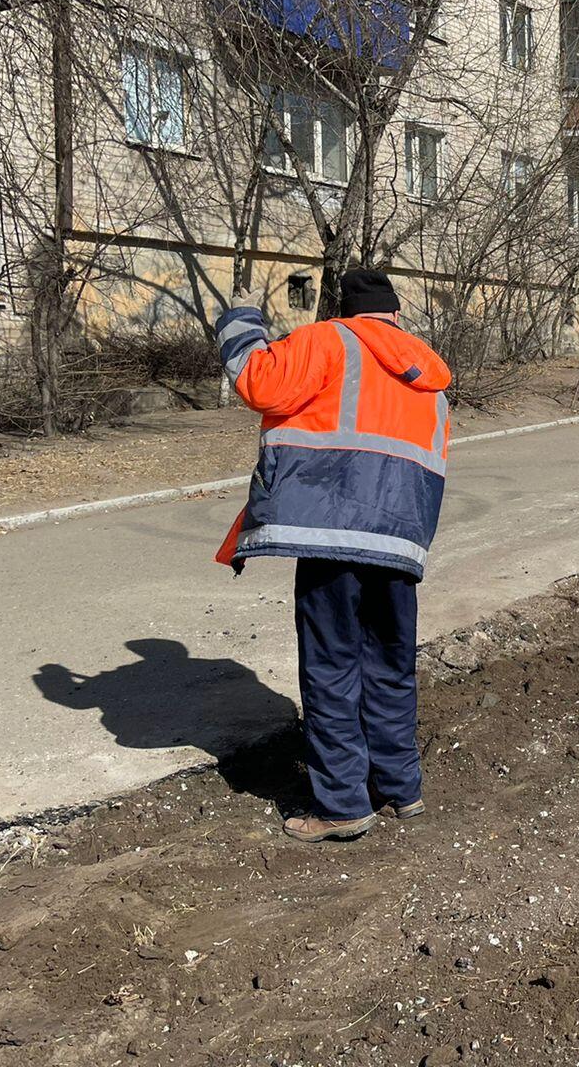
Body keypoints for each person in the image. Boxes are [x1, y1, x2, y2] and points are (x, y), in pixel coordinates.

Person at [214, 270, 452, 843]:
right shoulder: (430, 376)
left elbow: (258, 382)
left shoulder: (330, 340)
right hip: (398, 543)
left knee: (332, 666)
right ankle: (401, 789)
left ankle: (343, 806)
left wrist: (240, 320)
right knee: (390, 666)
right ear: (395, 315)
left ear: (345, 311)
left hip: (330, 535)